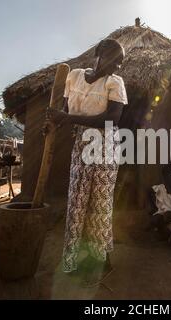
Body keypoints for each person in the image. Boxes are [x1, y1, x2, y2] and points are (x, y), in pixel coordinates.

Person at [45, 38, 127, 283]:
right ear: (99, 54)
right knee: (78, 201)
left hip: (105, 146)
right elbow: (63, 112)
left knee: (100, 204)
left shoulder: (115, 82)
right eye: (115, 60)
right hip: (82, 144)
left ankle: (100, 261)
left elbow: (112, 119)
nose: (118, 67)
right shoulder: (75, 76)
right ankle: (73, 258)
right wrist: (53, 122)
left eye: (121, 63)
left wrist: (68, 119)